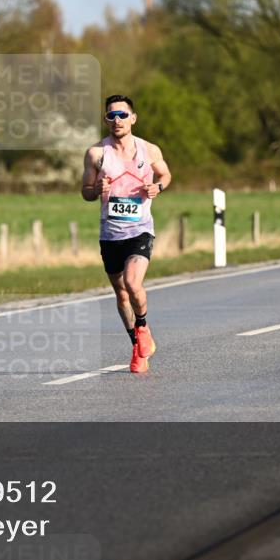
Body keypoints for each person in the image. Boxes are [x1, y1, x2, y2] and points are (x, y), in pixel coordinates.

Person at [81, 95, 171, 374]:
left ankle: (143, 328)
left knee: (133, 284)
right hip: (110, 234)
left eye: (122, 115)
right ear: (106, 120)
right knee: (121, 295)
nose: (116, 120)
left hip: (140, 230)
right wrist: (97, 190)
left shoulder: (149, 150)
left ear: (133, 118)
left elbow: (165, 175)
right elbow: (85, 191)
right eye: (111, 116)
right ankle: (138, 346)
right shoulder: (97, 154)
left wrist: (158, 187)